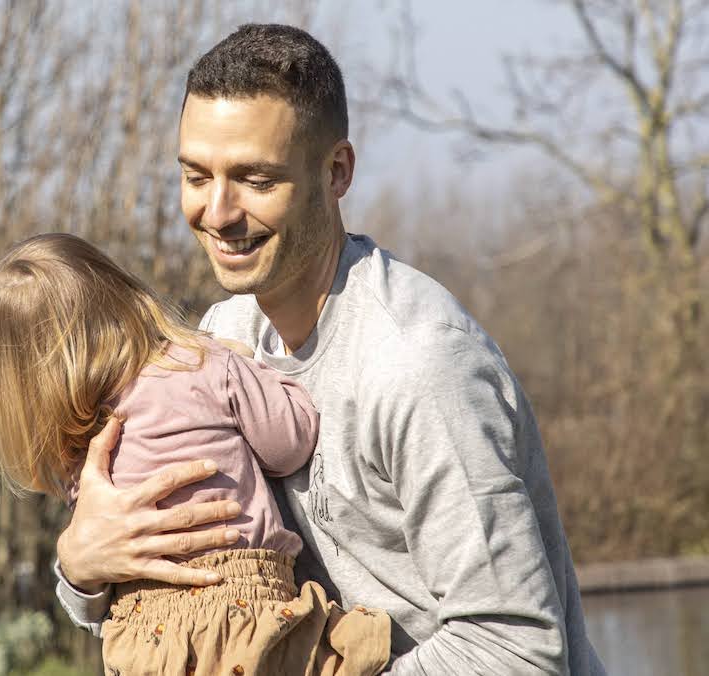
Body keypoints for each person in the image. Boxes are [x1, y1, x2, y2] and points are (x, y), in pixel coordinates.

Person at [54, 23, 606, 675]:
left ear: (336, 171)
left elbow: (517, 651)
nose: (218, 212)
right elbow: (179, 579)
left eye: (256, 180)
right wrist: (82, 569)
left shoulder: (421, 366)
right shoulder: (221, 339)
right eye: (196, 175)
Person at [0, 233, 391, 675]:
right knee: (353, 653)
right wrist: (255, 371)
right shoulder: (203, 361)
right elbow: (293, 443)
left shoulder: (80, 453)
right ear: (125, 295)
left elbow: (99, 557)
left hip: (140, 639)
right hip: (239, 611)